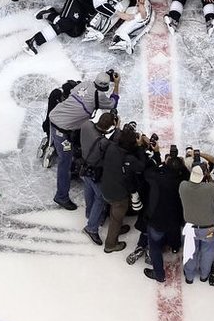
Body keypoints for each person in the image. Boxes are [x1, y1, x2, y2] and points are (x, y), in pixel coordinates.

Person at [48, 71, 121, 210]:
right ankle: (61, 196)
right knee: (65, 162)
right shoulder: (99, 96)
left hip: (55, 117)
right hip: (62, 131)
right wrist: (116, 84)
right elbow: (113, 103)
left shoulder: (85, 84)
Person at [101, 122, 147, 253]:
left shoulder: (111, 147)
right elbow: (141, 166)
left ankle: (116, 228)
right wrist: (139, 148)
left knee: (114, 212)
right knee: (117, 215)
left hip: (107, 187)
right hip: (118, 194)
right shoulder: (129, 159)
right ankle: (110, 244)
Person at [143, 152, 185, 282]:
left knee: (154, 247)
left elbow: (147, 173)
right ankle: (175, 247)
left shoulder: (158, 179)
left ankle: (159, 274)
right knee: (174, 232)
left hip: (157, 220)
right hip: (175, 218)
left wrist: (161, 163)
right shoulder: (183, 181)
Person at [79, 112, 118, 245]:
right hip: (95, 172)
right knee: (101, 197)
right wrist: (116, 129)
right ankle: (91, 228)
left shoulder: (86, 125)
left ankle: (90, 213)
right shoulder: (103, 142)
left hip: (84, 166)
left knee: (88, 189)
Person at [180, 162, 214, 284]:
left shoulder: (183, 186)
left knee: (190, 251)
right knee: (208, 251)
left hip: (190, 228)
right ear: (204, 175)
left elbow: (188, 182)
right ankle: (204, 275)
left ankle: (189, 276)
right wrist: (208, 177)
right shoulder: (209, 189)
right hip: (207, 229)